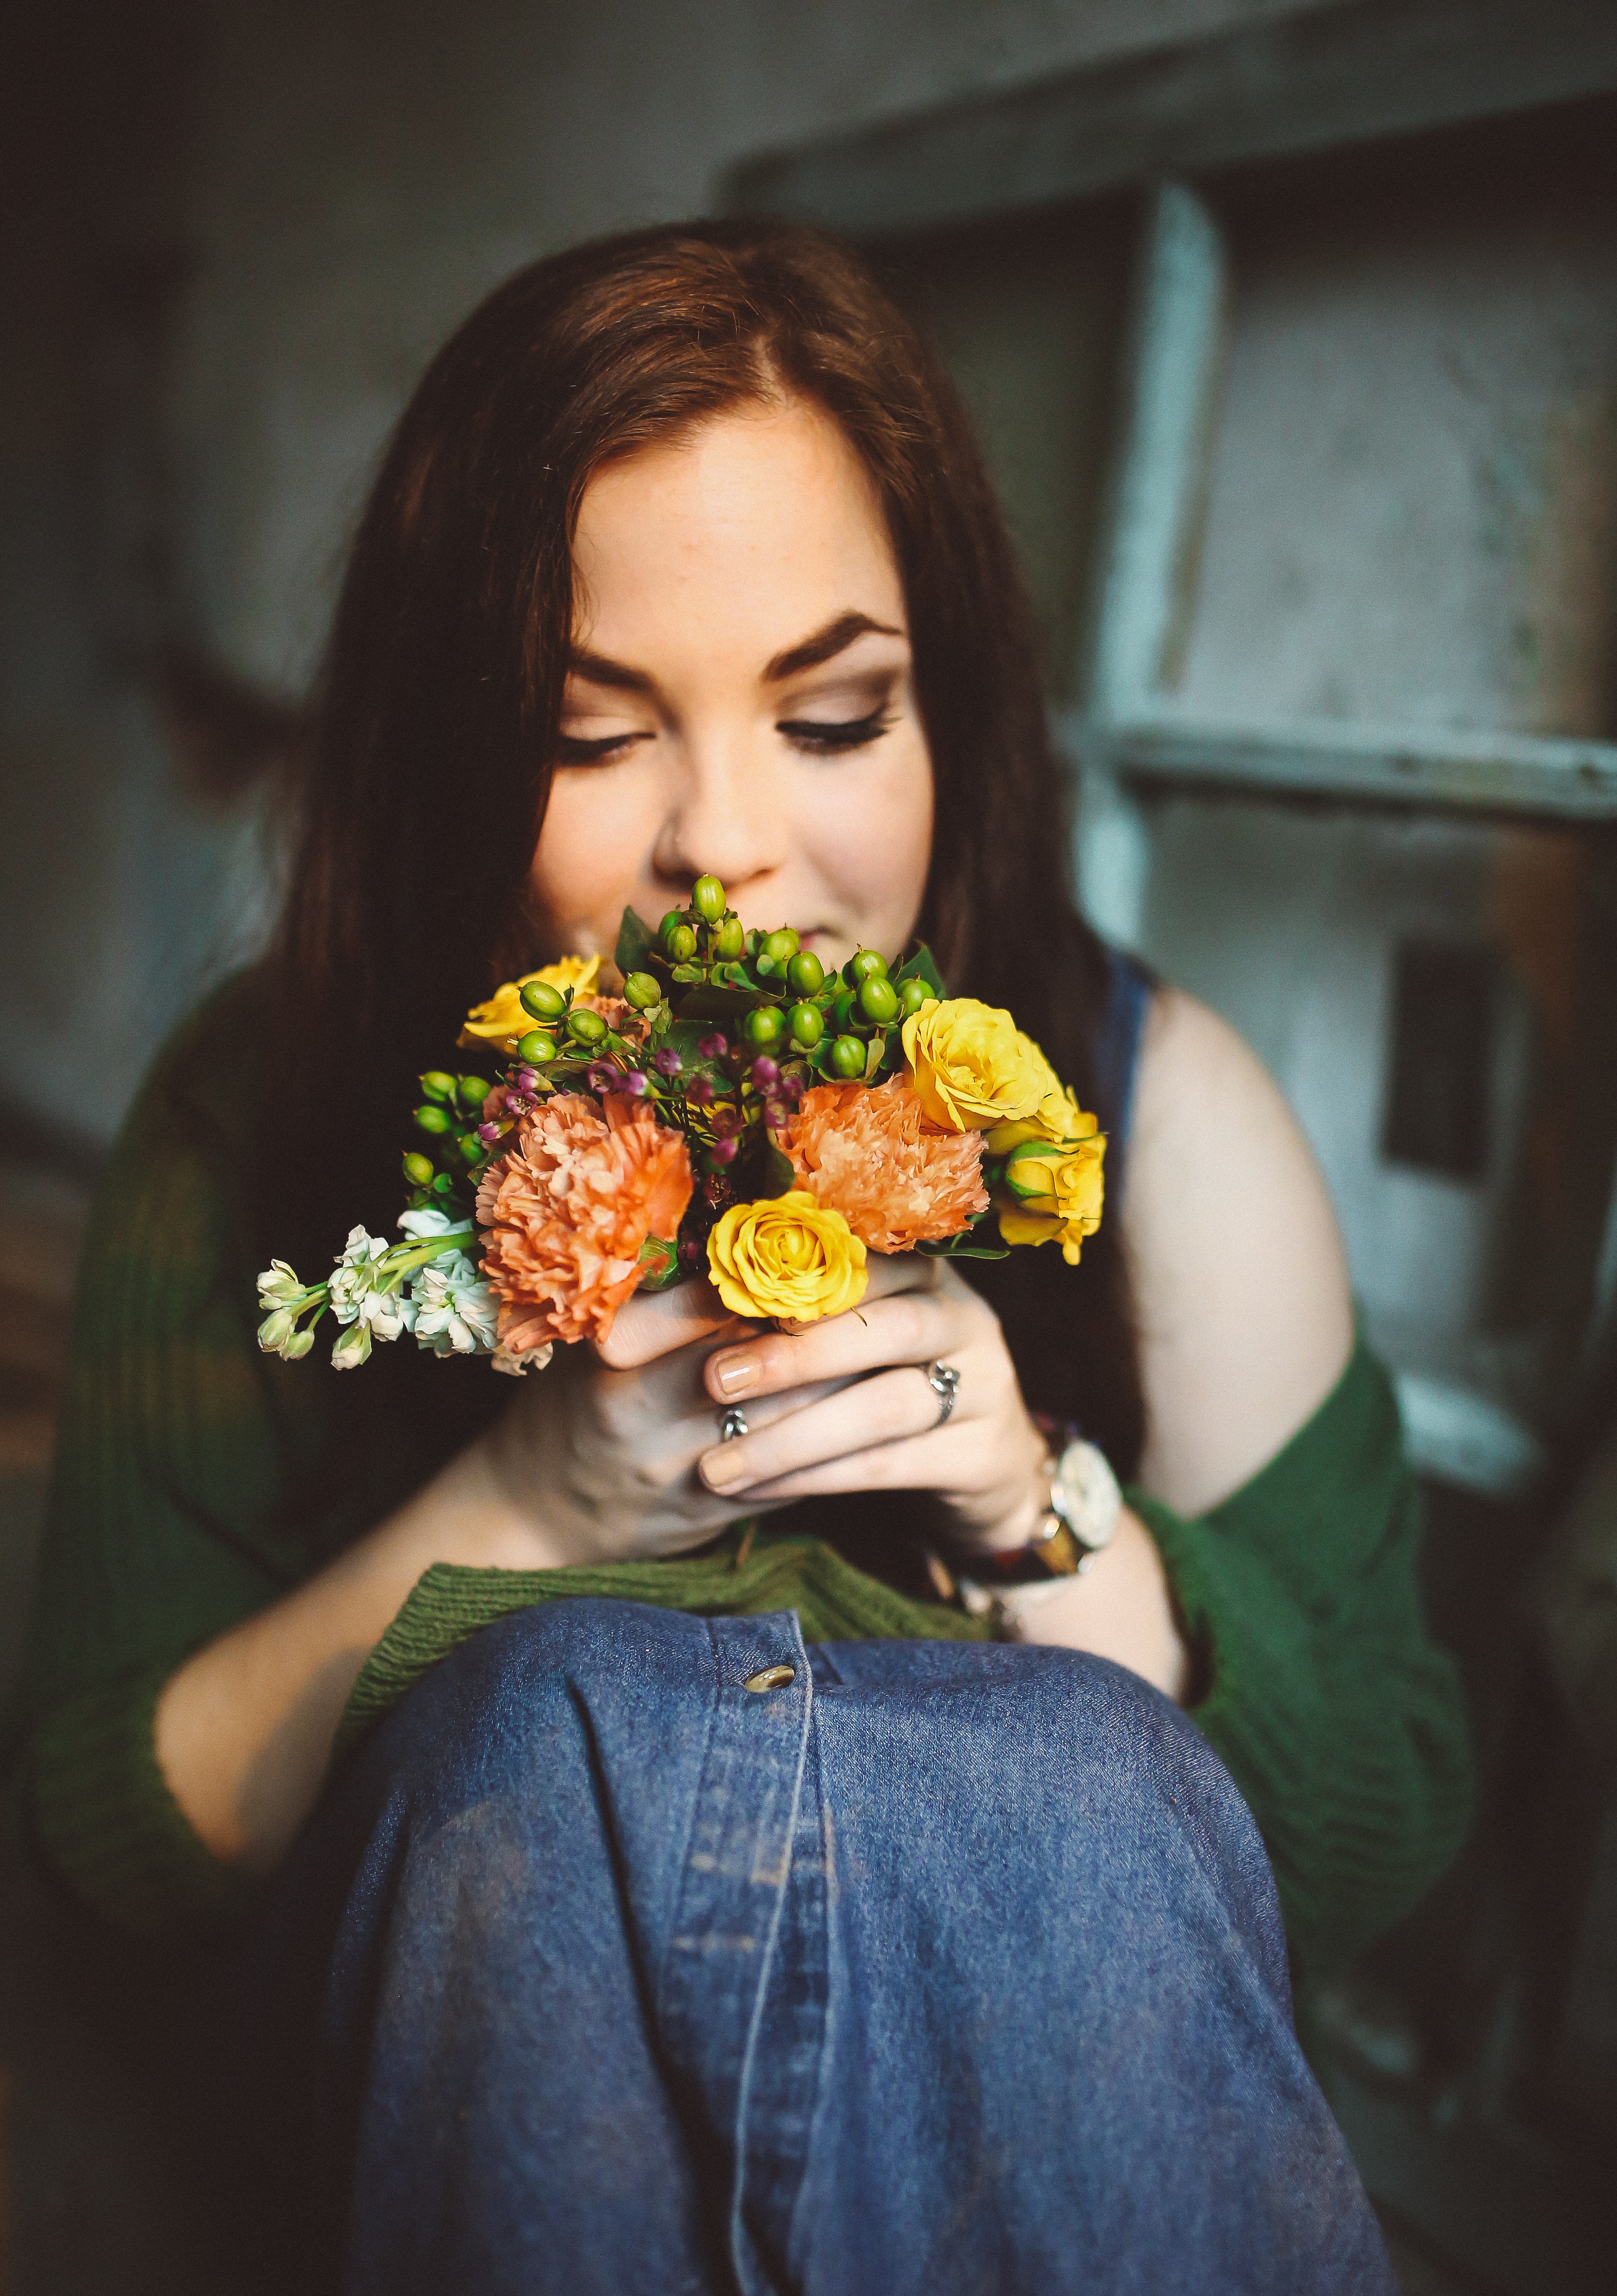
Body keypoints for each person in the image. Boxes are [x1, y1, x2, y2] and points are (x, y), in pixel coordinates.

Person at [16, 222, 1470, 2293]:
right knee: (565, 1725)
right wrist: (530, 1495)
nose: (727, 844)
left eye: (837, 713)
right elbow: (106, 1849)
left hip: (1044, 2128)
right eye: (592, 734)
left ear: (947, 714)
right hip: (468, 2108)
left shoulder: (1158, 1112)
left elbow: (1388, 1821)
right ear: (449, 747)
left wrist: (1037, 1521)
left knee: (1062, 1779)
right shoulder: (266, 1108)